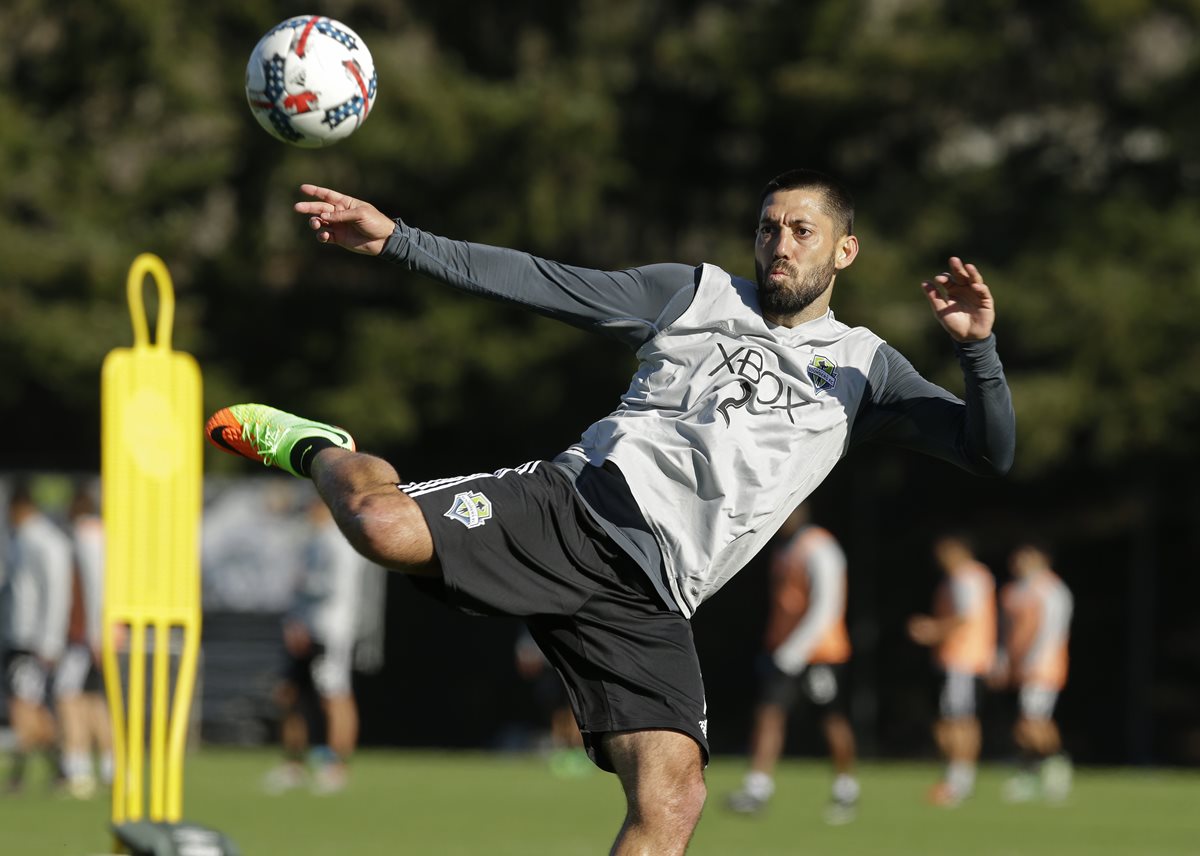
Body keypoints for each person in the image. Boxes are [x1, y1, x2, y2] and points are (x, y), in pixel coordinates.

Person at [205, 169, 1015, 854]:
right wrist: (400, 240)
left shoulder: (866, 369)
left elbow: (989, 451)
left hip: (657, 598)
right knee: (381, 528)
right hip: (576, 507)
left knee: (673, 804)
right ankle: (316, 445)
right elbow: (546, 281)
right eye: (769, 228)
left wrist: (976, 351)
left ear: (845, 250)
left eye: (802, 230)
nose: (780, 244)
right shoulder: (693, 294)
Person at [726, 504, 860, 824]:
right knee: (769, 713)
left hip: (820, 653)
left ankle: (845, 786)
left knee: (831, 719)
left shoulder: (820, 547)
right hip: (784, 651)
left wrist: (795, 651)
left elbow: (827, 606)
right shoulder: (784, 548)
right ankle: (757, 788)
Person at [263, 497, 364, 795]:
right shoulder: (312, 541)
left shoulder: (339, 541)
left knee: (333, 695)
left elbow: (329, 588)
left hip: (329, 631)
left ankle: (336, 765)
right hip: (305, 628)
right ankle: (293, 764)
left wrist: (304, 593)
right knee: (288, 695)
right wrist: (295, 622)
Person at [907, 534, 997, 807]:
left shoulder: (967, 577)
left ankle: (958, 781)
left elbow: (965, 616)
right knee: (954, 719)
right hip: (956, 659)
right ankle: (956, 777)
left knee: (958, 720)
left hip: (963, 658)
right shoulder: (964, 577)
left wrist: (932, 630)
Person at [2, 480, 72, 793]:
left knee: (22, 705)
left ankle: (27, 771)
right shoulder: (21, 539)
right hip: (18, 635)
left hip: (33, 639)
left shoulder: (45, 542)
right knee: (29, 705)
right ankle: (59, 766)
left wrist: (50, 640)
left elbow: (56, 592)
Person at [994, 542, 1073, 803]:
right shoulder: (1013, 592)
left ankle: (1053, 764)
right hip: (1021, 666)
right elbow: (1007, 632)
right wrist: (1003, 659)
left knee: (1030, 720)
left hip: (1044, 665)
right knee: (1031, 720)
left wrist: (1036, 659)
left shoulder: (1052, 590)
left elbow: (1053, 629)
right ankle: (1036, 769)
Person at [53, 484, 115, 799]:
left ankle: (77, 769)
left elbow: (92, 588)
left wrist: (94, 633)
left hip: (87, 634)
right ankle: (110, 767)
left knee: (68, 697)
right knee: (94, 700)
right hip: (102, 631)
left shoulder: (85, 535)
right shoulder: (106, 535)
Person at [513, 625, 591, 778]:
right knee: (556, 711)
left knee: (575, 709)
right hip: (550, 667)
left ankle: (578, 751)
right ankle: (561, 750)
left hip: (572, 665)